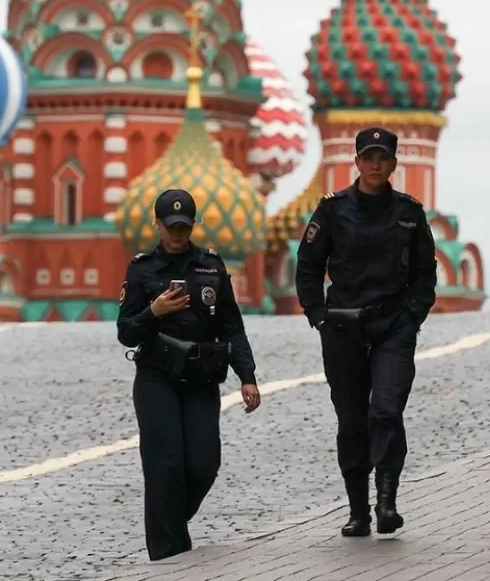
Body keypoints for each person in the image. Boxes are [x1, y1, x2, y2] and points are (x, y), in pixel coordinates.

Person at [295, 126, 438, 537]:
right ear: (356, 162)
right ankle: (359, 510)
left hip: (392, 325)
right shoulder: (332, 209)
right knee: (353, 421)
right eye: (368, 157)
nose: (375, 164)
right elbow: (308, 265)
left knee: (387, 409)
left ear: (394, 163)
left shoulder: (409, 212)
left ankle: (387, 500)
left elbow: (425, 270)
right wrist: (317, 315)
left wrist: (413, 314)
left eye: (383, 157)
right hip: (342, 326)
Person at [116, 188, 262, 561]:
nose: (177, 233)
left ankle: (171, 526)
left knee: (203, 461)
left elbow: (231, 326)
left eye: (183, 226)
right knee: (163, 464)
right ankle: (166, 555)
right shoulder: (142, 268)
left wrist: (247, 375)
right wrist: (154, 310)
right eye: (170, 226)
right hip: (156, 376)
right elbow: (126, 332)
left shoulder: (211, 267)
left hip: (200, 375)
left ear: (193, 225)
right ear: (158, 224)